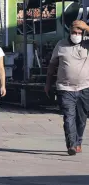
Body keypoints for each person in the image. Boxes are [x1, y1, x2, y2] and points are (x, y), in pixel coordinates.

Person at [45, 20, 89, 156]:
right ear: (69, 32)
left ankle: (78, 141)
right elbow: (52, 65)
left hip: (84, 87)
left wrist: (87, 27)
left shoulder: (87, 44)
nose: (76, 35)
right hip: (65, 88)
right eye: (73, 32)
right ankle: (71, 144)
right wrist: (48, 83)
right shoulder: (61, 45)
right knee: (69, 117)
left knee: (81, 119)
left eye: (79, 33)